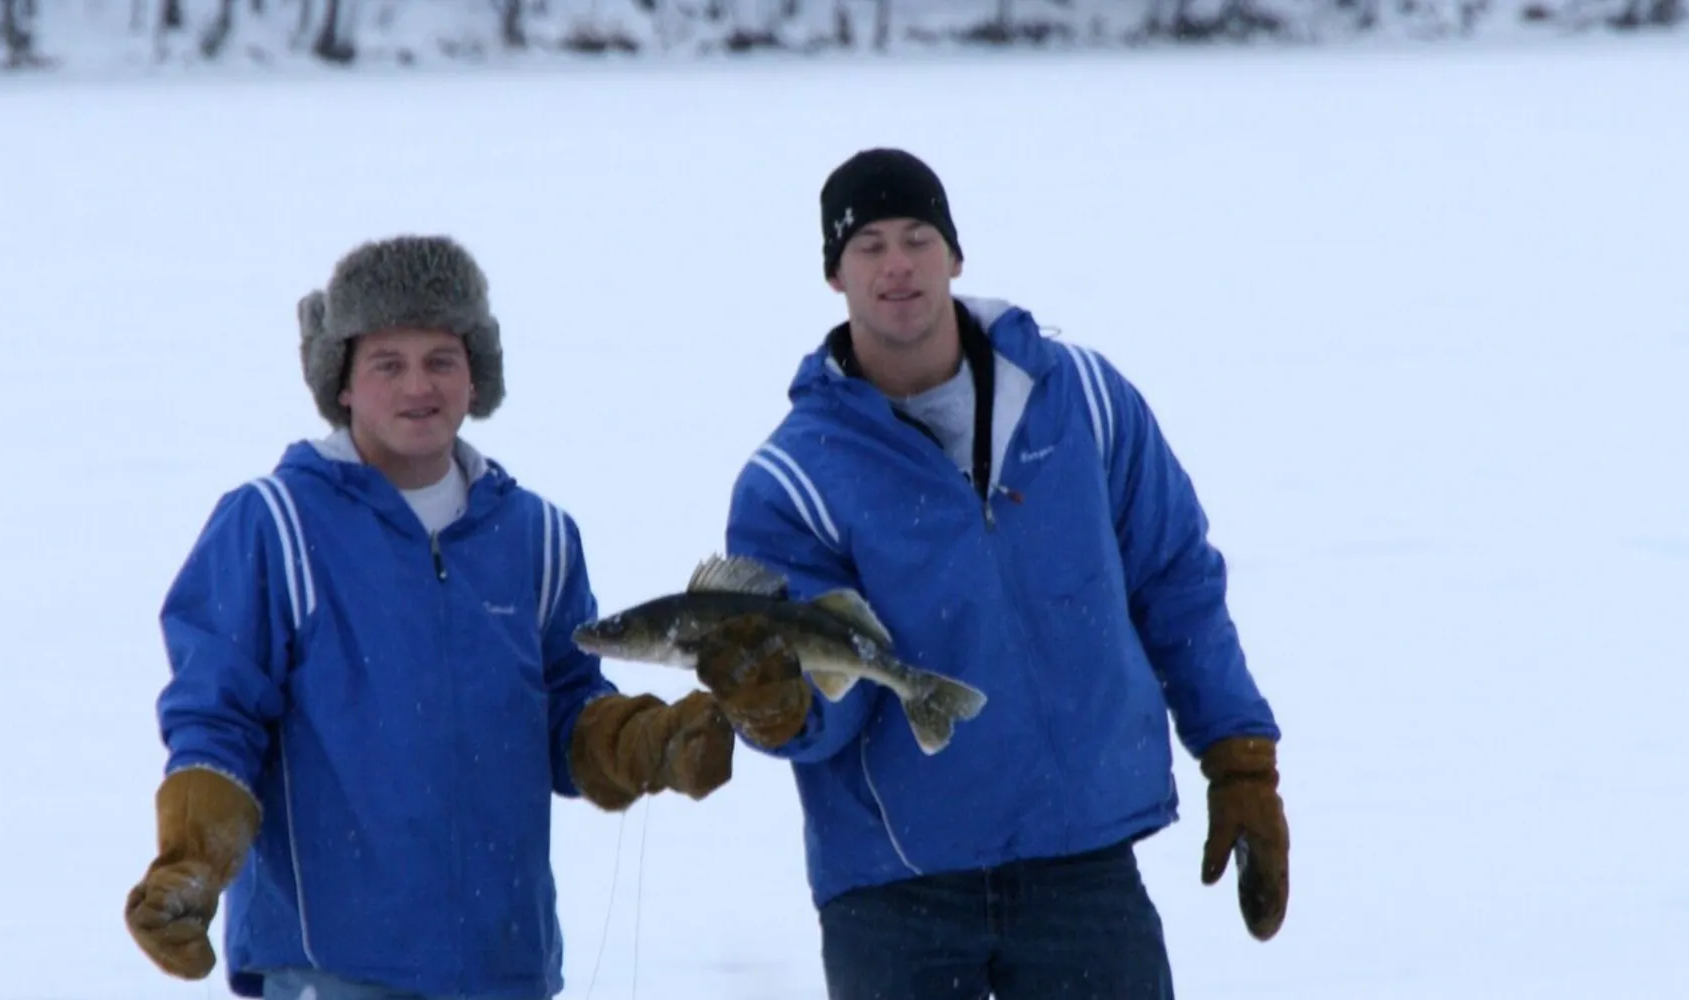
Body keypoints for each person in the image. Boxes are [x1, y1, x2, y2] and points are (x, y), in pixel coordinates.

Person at [691, 149, 1291, 999]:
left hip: (1082, 866)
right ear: (834, 275)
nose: (897, 265)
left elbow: (1176, 583)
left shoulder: (1082, 399)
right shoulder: (793, 482)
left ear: (955, 255)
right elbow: (829, 698)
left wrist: (1239, 756)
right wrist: (781, 707)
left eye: (918, 237)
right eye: (868, 246)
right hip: (895, 894)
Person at [123, 234, 735, 1000]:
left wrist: (651, 742)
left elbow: (567, 716)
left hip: (506, 970)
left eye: (441, 359)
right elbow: (218, 718)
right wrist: (191, 860)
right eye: (388, 363)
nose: (419, 386)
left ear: (476, 377)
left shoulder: (538, 536)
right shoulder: (271, 525)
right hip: (332, 971)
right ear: (343, 383)